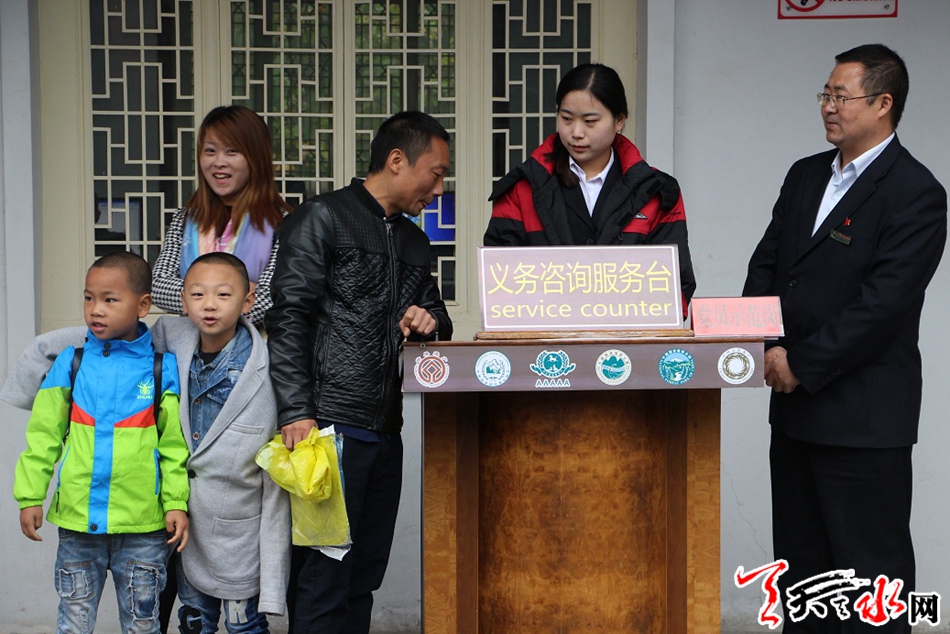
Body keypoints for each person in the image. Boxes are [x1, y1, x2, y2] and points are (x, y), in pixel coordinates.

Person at [742, 44, 947, 632]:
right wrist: (764, 345)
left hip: (863, 420)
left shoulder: (916, 192)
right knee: (803, 579)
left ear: (883, 104)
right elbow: (767, 266)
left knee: (868, 579)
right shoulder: (805, 174)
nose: (828, 107)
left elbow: (881, 307)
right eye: (825, 95)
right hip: (795, 411)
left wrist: (800, 362)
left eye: (841, 96)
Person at [266, 110, 454, 633]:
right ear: (397, 160)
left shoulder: (415, 242)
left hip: (385, 429)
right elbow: (288, 318)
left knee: (363, 575)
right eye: (436, 174)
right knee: (323, 575)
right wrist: (296, 411)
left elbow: (439, 318)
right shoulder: (322, 217)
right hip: (327, 428)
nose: (439, 189)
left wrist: (428, 320)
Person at [13, 251, 191, 634]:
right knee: (74, 622)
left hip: (143, 527)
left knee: (142, 624)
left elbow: (174, 447)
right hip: (78, 524)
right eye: (89, 298)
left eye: (110, 299)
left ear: (142, 305)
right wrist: (30, 496)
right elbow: (43, 436)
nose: (96, 309)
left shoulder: (161, 369)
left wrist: (176, 502)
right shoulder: (71, 363)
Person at [485, 62, 696, 309]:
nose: (576, 132)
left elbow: (674, 289)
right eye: (566, 119)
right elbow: (500, 284)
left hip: (628, 332)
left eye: (590, 121)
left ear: (619, 120)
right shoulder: (522, 188)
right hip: (545, 332)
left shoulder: (658, 192)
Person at [152, 105, 293, 326]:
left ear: (256, 157)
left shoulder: (283, 223)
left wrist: (194, 294)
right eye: (210, 151)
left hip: (255, 344)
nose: (219, 162)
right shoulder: (185, 219)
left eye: (232, 151)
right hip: (191, 344)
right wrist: (233, 293)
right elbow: (158, 287)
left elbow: (272, 298)